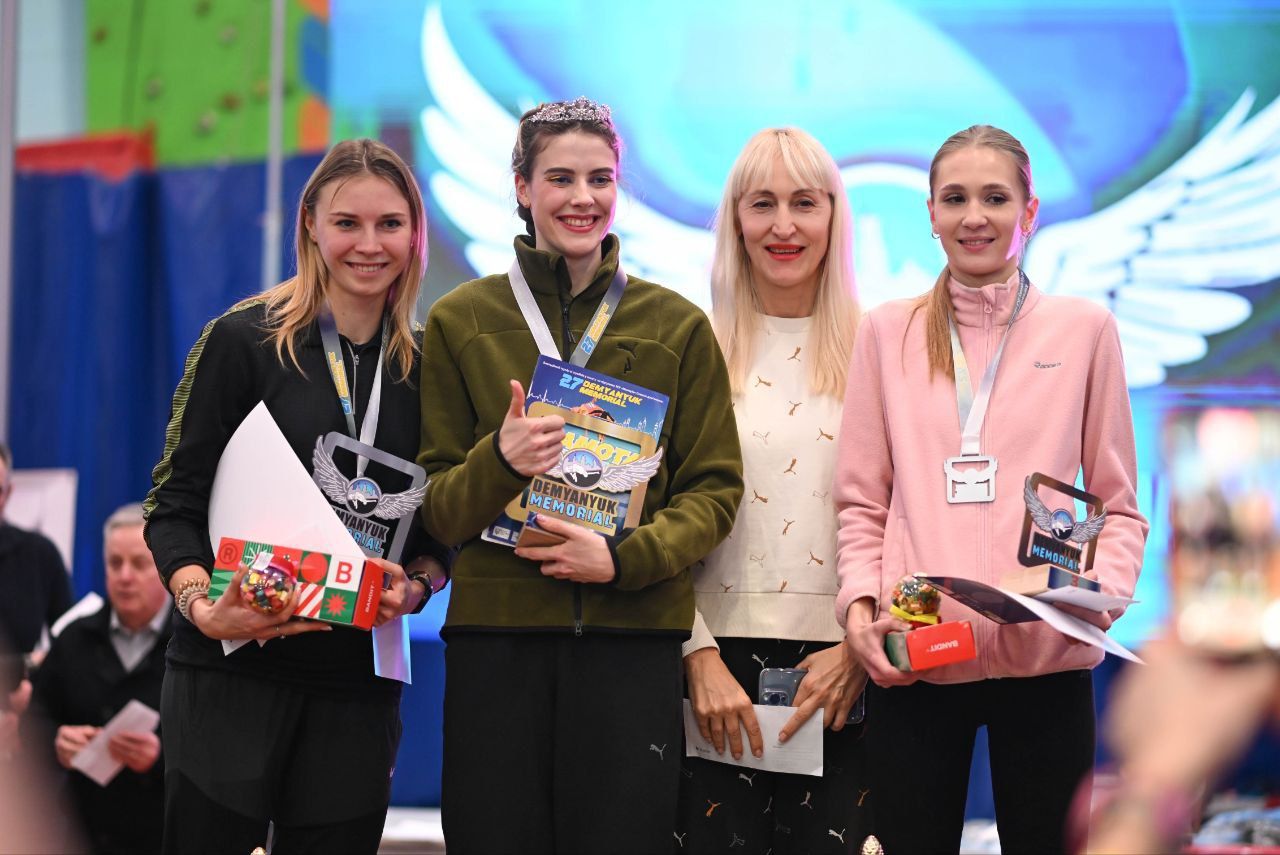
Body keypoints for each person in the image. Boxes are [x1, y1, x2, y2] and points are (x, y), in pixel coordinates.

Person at [417, 97, 744, 854]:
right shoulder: (460, 320)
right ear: (522, 187)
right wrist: (501, 460)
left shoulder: (676, 325)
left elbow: (714, 490)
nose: (583, 198)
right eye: (560, 178)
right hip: (499, 643)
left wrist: (623, 558)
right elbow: (437, 509)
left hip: (632, 643)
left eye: (600, 179)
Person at [835, 125, 1149, 854]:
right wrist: (861, 613)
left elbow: (1119, 504)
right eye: (955, 198)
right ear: (931, 213)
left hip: (1046, 662)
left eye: (995, 198)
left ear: (1029, 212)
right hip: (917, 657)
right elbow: (861, 503)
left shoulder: (1085, 330)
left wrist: (1096, 599)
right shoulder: (885, 332)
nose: (974, 216)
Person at [144, 138, 450, 854]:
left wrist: (419, 585)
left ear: (415, 233)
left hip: (355, 685)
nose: (369, 244)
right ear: (310, 222)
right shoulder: (241, 341)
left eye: (389, 224)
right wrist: (203, 606)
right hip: (231, 672)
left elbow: (440, 533)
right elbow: (173, 506)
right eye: (347, 223)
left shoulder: (431, 368)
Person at [676, 127, 872, 853]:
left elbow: (905, 519)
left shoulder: (884, 349)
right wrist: (695, 654)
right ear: (735, 220)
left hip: (847, 671)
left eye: (804, 203)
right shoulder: (687, 348)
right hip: (711, 674)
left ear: (834, 216)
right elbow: (655, 520)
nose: (783, 226)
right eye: (762, 203)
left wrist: (861, 648)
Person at [26, 503, 172, 853]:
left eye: (139, 564)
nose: (125, 576)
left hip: (165, 835)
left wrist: (161, 758)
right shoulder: (74, 638)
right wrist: (56, 742)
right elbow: (33, 723)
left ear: (166, 569)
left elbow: (220, 747)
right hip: (82, 834)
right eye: (114, 563)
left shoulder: (194, 646)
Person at [0, 441, 72, 663]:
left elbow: (69, 642)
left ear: (8, 493)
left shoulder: (40, 554)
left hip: (19, 683)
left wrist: (38, 669)